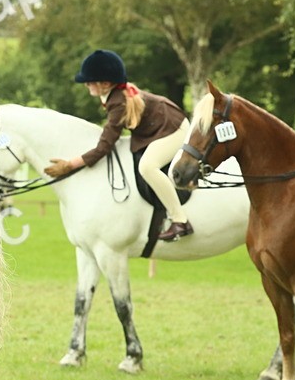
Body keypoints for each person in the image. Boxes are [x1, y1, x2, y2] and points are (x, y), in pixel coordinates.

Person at [44, 50, 194, 241]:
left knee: (147, 167)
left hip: (173, 129)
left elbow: (104, 147)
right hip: (158, 127)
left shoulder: (118, 102)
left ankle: (180, 220)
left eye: (90, 81)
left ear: (105, 84)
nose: (86, 84)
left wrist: (70, 165)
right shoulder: (114, 95)